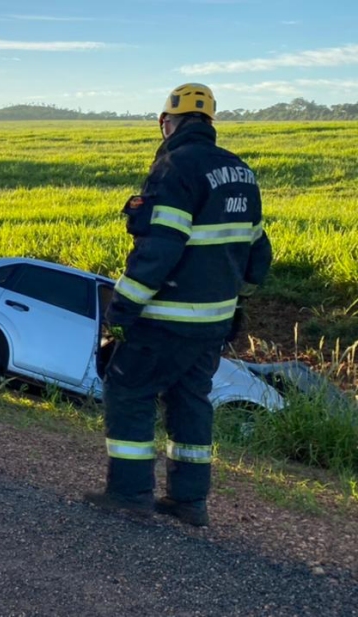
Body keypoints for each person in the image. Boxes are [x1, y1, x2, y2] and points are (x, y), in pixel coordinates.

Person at [83, 83, 273, 527]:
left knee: (128, 391)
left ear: (167, 123)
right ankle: (189, 503)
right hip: (212, 327)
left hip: (164, 321)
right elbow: (257, 258)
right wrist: (234, 304)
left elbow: (158, 251)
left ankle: (130, 494)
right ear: (209, 124)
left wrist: (121, 310)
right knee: (191, 403)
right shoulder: (241, 172)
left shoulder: (173, 168)